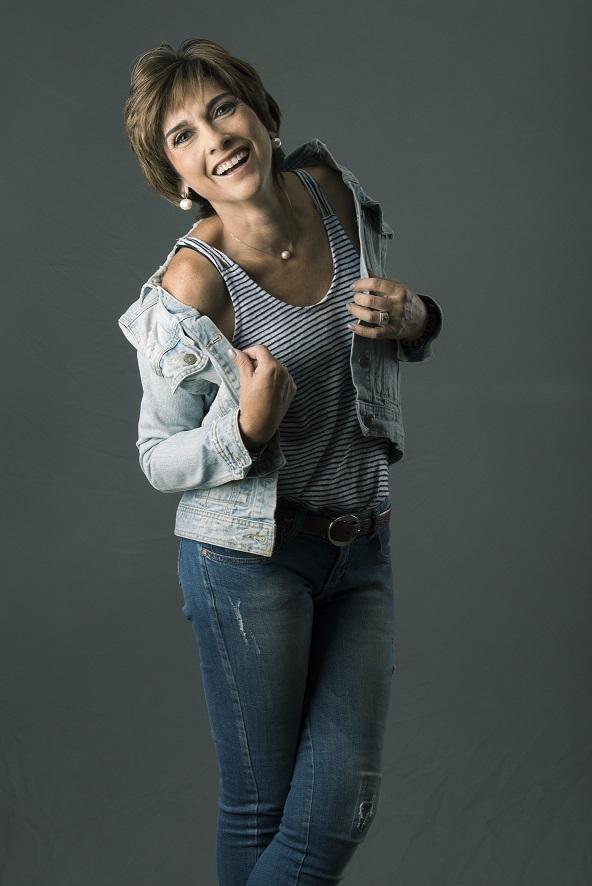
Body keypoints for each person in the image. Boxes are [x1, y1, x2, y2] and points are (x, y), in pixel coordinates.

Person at [119, 37, 443, 886]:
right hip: (248, 565)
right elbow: (157, 455)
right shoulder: (193, 287)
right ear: (175, 174)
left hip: (361, 546)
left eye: (222, 108)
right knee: (263, 813)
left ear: (262, 114)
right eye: (183, 135)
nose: (215, 139)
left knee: (340, 808)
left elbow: (389, 327)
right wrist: (246, 431)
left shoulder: (333, 193)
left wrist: (417, 318)